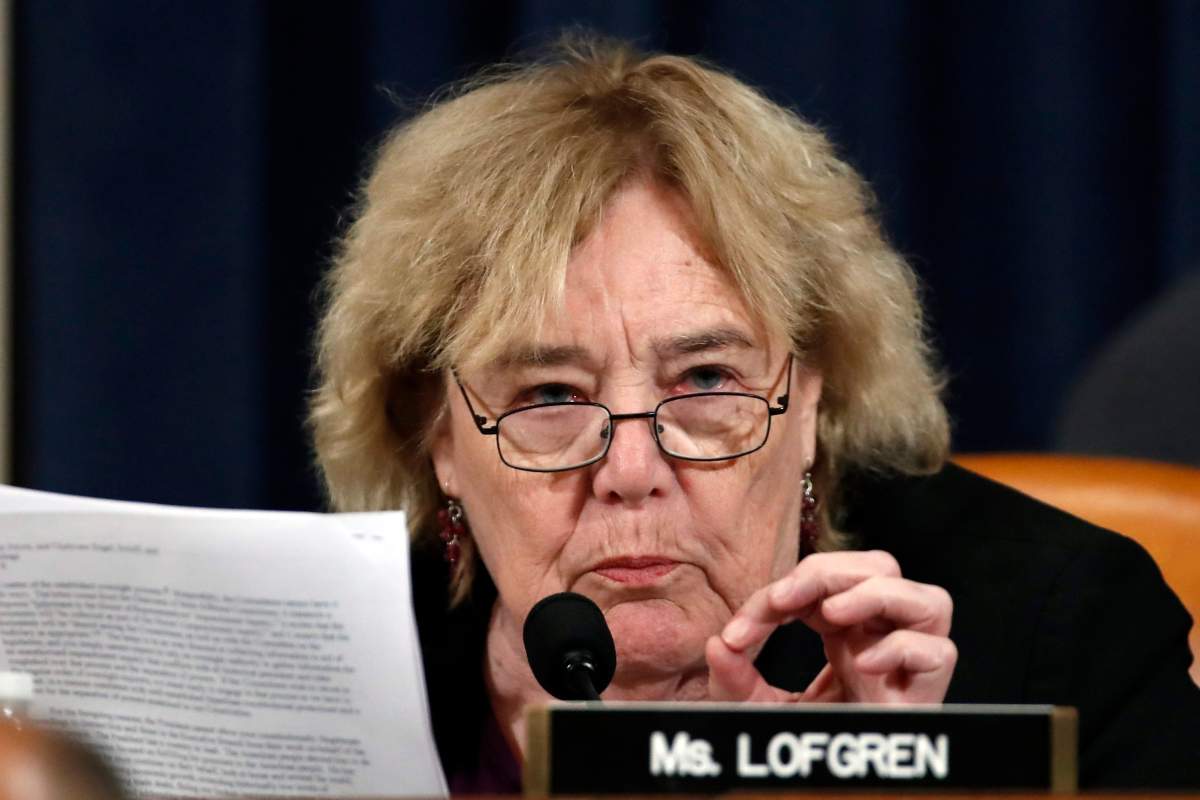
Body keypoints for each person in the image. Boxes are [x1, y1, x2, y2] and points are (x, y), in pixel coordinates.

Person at [309, 37, 1200, 790]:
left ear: (809, 397)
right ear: (440, 436)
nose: (630, 474)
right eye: (549, 396)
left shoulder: (1064, 635)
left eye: (704, 380)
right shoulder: (332, 668)